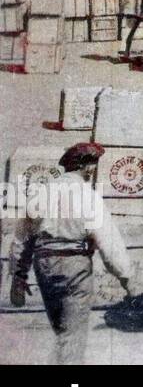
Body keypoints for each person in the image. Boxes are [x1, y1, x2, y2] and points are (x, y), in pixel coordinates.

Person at [9, 143, 133, 364]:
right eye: (93, 165)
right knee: (73, 334)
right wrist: (127, 279)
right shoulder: (89, 196)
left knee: (62, 331)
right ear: (87, 167)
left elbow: (22, 238)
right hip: (74, 265)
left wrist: (18, 277)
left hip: (44, 265)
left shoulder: (40, 194)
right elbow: (108, 241)